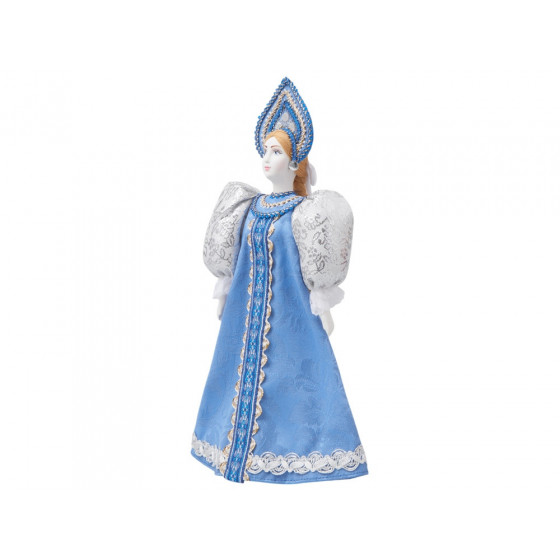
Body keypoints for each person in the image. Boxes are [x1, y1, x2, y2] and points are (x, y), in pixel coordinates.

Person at [191, 77, 368, 484]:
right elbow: (234, 258)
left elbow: (314, 263)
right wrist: (224, 294)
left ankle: (297, 453)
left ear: (293, 162)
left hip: (291, 318)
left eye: (276, 152)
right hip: (242, 319)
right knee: (234, 379)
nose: (267, 159)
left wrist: (323, 304)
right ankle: (230, 449)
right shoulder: (247, 206)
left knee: (291, 387)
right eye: (266, 150)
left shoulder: (306, 213)